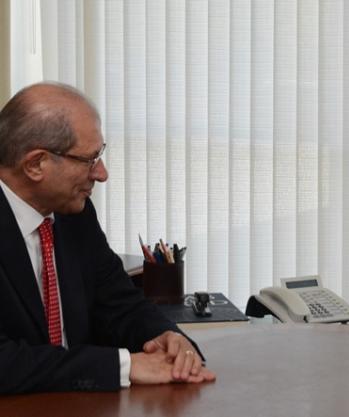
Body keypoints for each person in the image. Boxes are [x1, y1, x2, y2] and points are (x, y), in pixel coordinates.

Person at [0, 82, 216, 393]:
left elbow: (118, 301)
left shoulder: (74, 214)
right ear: (36, 164)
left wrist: (167, 338)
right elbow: (5, 362)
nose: (102, 173)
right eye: (89, 159)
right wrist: (124, 366)